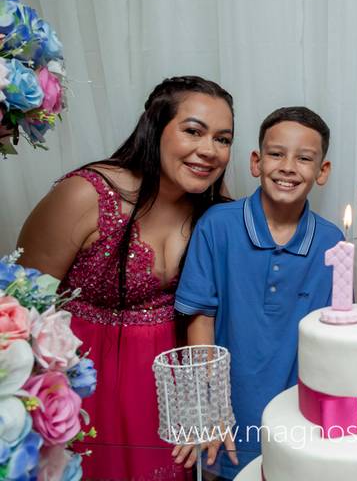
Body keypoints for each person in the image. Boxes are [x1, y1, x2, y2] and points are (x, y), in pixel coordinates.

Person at [17, 75, 235, 480]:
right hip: (87, 389)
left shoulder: (215, 214)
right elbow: (19, 311)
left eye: (223, 139)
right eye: (193, 131)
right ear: (155, 128)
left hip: (168, 395)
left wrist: (205, 402)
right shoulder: (86, 195)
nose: (209, 150)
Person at [174, 106, 344, 478]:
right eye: (277, 154)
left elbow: (332, 336)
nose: (288, 167)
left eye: (304, 158)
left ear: (322, 171)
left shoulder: (333, 242)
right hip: (227, 412)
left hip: (300, 418)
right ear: (256, 162)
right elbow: (201, 320)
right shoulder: (217, 226)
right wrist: (210, 407)